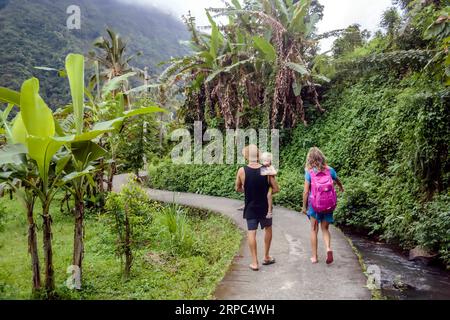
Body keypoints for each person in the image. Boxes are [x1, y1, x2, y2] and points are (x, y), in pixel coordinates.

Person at [235, 145, 280, 271]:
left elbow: (237, 188)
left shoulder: (242, 171)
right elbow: (276, 188)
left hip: (250, 206)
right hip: (265, 207)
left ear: (246, 156)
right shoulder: (266, 169)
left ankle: (254, 263)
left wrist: (247, 190)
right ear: (258, 155)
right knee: (268, 229)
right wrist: (267, 191)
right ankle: (266, 256)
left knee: (251, 232)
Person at [302, 147, 344, 265]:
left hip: (314, 206)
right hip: (328, 205)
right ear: (321, 157)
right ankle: (328, 249)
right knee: (325, 229)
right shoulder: (330, 170)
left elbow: (305, 192)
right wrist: (341, 187)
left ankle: (314, 257)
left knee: (313, 230)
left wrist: (304, 207)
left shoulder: (309, 172)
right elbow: (337, 180)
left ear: (310, 159)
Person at [260, 152, 278, 219]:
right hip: (264, 185)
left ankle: (269, 211)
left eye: (267, 161)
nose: (266, 162)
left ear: (270, 161)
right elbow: (261, 174)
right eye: (264, 161)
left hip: (270, 185)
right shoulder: (262, 167)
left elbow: (275, 173)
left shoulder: (271, 167)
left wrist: (269, 171)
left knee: (269, 195)